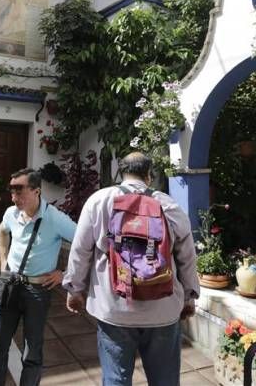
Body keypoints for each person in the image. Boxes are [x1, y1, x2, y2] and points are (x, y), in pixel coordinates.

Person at [62, 152, 199, 386]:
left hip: (114, 308)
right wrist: (189, 296)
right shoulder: (168, 204)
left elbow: (81, 250)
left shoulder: (99, 200)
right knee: (164, 380)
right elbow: (187, 256)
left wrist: (75, 289)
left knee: (116, 378)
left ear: (121, 171)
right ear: (149, 174)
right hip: (163, 309)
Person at [0, 168, 77, 386]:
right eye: (12, 192)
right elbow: (2, 230)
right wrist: (2, 262)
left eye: (20, 191)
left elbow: (84, 243)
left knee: (32, 352)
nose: (14, 197)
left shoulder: (55, 219)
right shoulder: (11, 213)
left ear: (36, 191)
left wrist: (65, 274)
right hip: (9, 286)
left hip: (37, 291)